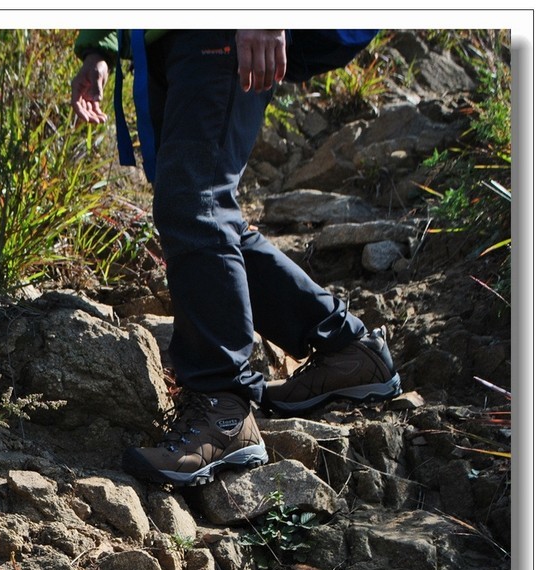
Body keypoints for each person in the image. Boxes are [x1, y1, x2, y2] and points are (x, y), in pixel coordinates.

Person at [70, 29, 401, 488]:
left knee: (196, 204)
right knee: (201, 212)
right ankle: (347, 349)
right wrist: (100, 45)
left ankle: (221, 409)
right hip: (165, 40)